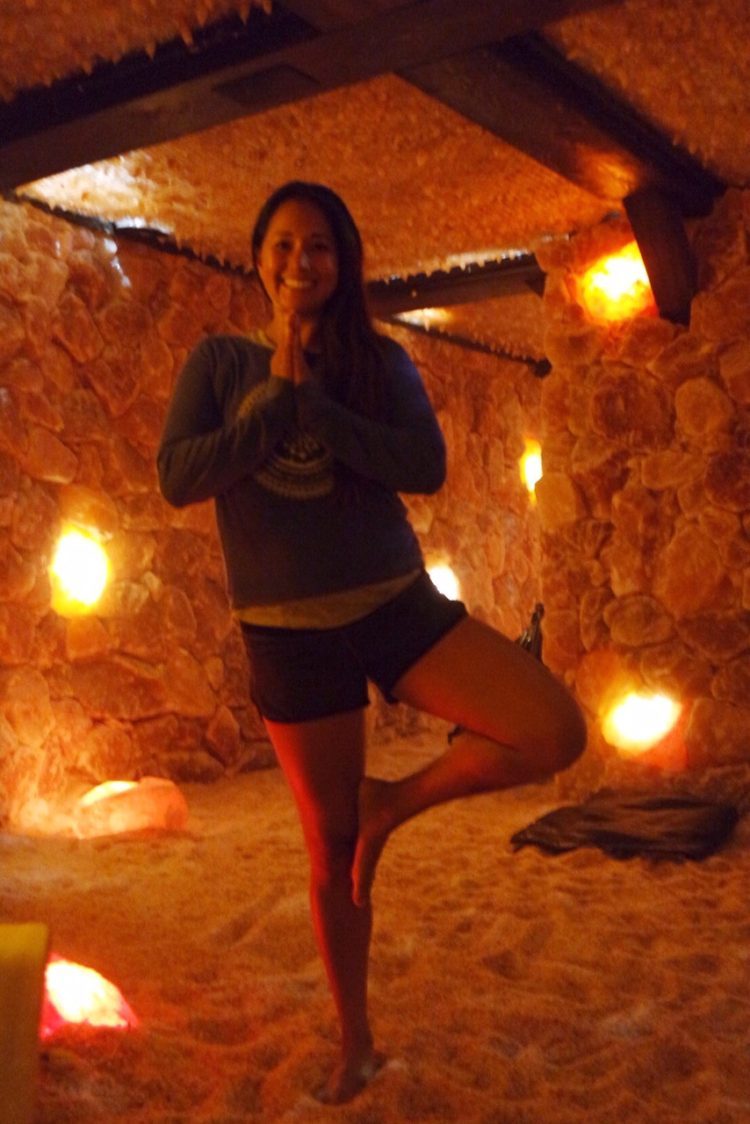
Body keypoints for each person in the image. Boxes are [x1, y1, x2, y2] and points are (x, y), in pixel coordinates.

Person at [157, 181, 586, 1104]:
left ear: (343, 263)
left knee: (553, 731)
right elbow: (181, 476)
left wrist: (319, 409)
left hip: (396, 604)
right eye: (283, 243)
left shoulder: (381, 361)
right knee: (331, 851)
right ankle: (355, 1043)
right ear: (258, 257)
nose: (299, 260)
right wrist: (276, 400)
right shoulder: (220, 362)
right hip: (287, 633)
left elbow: (423, 466)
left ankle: (395, 802)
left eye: (319, 245)